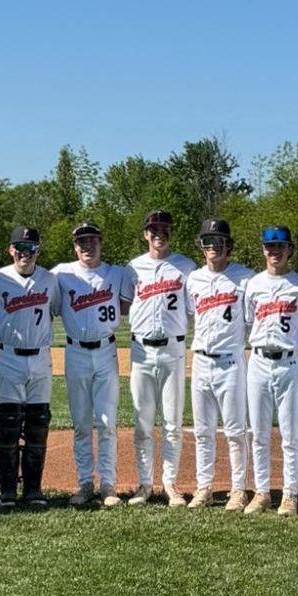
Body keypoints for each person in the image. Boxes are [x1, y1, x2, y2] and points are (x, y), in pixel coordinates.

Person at [52, 221, 133, 508]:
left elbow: (129, 304)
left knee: (108, 422)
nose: (87, 246)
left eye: (92, 240)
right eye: (81, 241)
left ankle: (108, 485)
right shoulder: (61, 273)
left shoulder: (117, 273)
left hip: (106, 351)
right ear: (74, 246)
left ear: (101, 242)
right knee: (82, 423)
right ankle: (85, 483)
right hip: (75, 353)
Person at [126, 210, 196, 506]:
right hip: (141, 351)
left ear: (171, 231)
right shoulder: (132, 268)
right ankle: (144, 484)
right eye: (153, 229)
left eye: (164, 228)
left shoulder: (186, 267)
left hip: (173, 350)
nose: (159, 234)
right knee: (142, 421)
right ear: (145, 234)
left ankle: (169, 483)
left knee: (172, 421)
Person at [242, 225, 298, 515]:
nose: (275, 252)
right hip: (258, 362)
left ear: (289, 250)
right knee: (258, 433)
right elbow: (249, 320)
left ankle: (289, 494)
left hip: (289, 362)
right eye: (270, 248)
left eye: (280, 247)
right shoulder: (253, 284)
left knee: (290, 434)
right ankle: (262, 492)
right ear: (263, 250)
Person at [0, 226, 61, 507]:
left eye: (30, 247)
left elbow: (54, 309)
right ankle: (7, 490)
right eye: (19, 247)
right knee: (7, 424)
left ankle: (33, 489)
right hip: (9, 356)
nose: (24, 253)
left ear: (37, 251)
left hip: (41, 356)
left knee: (37, 424)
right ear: (10, 250)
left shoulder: (49, 280)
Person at [185, 218, 253, 510]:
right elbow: (191, 312)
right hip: (200, 361)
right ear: (201, 246)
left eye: (218, 241)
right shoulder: (194, 279)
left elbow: (251, 318)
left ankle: (238, 489)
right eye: (207, 241)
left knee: (236, 430)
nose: (213, 247)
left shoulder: (245, 278)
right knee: (203, 431)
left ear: (229, 245)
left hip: (230, 362)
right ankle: (204, 487)